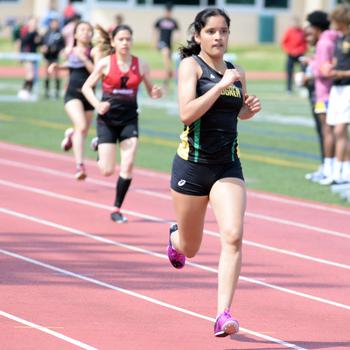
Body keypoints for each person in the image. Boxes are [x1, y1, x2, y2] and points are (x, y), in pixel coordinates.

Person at [167, 8, 261, 337]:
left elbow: (237, 115)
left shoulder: (236, 71)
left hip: (227, 166)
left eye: (223, 31)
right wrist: (221, 86)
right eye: (211, 31)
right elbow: (187, 113)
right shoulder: (191, 67)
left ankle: (223, 313)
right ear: (198, 36)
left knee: (233, 235)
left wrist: (247, 110)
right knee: (191, 247)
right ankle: (175, 238)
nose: (218, 37)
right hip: (192, 167)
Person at [82, 24, 162, 223]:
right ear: (113, 42)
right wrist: (97, 104)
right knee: (107, 170)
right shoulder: (105, 64)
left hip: (129, 119)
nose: (125, 43)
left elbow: (151, 89)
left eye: (128, 39)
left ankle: (117, 208)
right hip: (107, 120)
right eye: (121, 39)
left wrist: (155, 93)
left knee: (128, 163)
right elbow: (86, 87)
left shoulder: (141, 65)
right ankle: (98, 144)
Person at [49, 21, 96, 180]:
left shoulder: (94, 52)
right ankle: (79, 166)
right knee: (81, 126)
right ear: (75, 34)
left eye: (89, 30)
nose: (86, 32)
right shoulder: (71, 51)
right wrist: (57, 67)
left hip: (89, 96)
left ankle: (71, 136)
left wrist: (84, 57)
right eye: (82, 30)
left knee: (82, 131)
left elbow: (95, 74)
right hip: (72, 95)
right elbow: (71, 66)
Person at [304, 11, 338, 183]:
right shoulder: (332, 39)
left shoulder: (324, 42)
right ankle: (331, 168)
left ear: (316, 26)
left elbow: (323, 70)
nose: (308, 29)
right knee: (331, 132)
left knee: (327, 132)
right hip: (328, 92)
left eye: (310, 25)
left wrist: (311, 66)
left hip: (324, 93)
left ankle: (329, 169)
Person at [321, 3, 350, 184]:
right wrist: (329, 67)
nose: (331, 22)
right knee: (333, 128)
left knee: (340, 130)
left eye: (334, 19)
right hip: (336, 88)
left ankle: (340, 172)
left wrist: (339, 73)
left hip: (347, 88)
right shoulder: (339, 38)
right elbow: (337, 61)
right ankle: (339, 171)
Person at [153, 1, 179, 90]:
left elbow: (177, 32)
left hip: (169, 44)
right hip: (162, 42)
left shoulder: (173, 22)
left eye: (169, 11)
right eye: (167, 11)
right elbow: (155, 31)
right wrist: (155, 42)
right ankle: (170, 70)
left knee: (168, 59)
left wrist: (175, 41)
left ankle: (166, 84)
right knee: (165, 53)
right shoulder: (160, 21)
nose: (168, 12)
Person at [281, 16, 308, 94]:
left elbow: (305, 43)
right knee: (289, 71)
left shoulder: (302, 31)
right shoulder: (289, 31)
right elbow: (284, 43)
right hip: (291, 55)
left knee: (303, 71)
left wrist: (301, 50)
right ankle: (289, 89)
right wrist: (290, 51)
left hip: (300, 55)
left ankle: (302, 87)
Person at [17, 16, 42, 100]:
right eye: (33, 22)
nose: (34, 24)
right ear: (29, 23)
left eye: (36, 22)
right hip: (27, 55)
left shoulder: (36, 32)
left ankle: (28, 92)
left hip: (34, 56)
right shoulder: (25, 31)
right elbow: (22, 42)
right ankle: (23, 91)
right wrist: (19, 56)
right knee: (30, 75)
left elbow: (38, 43)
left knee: (33, 76)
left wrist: (39, 41)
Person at [41, 18, 65, 98]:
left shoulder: (60, 34)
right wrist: (43, 48)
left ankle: (57, 92)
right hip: (47, 56)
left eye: (56, 23)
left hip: (55, 56)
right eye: (53, 23)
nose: (54, 25)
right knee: (47, 74)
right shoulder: (47, 33)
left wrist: (60, 50)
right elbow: (42, 42)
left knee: (56, 74)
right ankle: (46, 91)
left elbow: (62, 45)